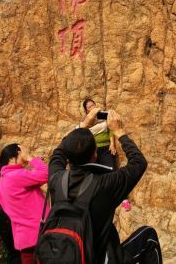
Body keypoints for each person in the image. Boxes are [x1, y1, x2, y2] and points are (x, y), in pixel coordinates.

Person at [49, 109, 163, 263]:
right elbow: (139, 163)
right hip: (100, 258)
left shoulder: (56, 178)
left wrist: (82, 126)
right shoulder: (104, 184)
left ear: (68, 158)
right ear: (95, 154)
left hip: (63, 253)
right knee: (148, 237)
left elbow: (58, 153)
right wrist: (119, 131)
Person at [0, 143, 49, 264]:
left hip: (24, 241)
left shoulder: (2, 183)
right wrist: (30, 157)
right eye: (21, 154)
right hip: (41, 234)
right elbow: (46, 174)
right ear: (11, 159)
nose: (24, 157)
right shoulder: (17, 175)